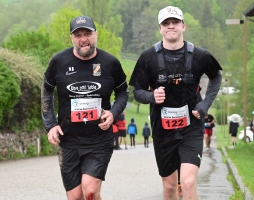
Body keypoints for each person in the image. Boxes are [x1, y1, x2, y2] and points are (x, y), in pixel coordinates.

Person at [129, 6, 222, 199]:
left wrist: (204, 105)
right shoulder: (148, 57)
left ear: (183, 26)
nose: (171, 26)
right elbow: (137, 91)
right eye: (166, 23)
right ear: (160, 28)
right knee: (170, 186)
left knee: (187, 183)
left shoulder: (199, 55)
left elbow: (216, 77)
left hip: (191, 128)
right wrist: (151, 96)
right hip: (162, 130)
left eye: (175, 23)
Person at [41, 15, 129, 200]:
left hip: (99, 139)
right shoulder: (58, 61)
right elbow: (47, 91)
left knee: (89, 192)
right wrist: (50, 125)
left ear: (95, 34)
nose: (83, 39)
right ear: (72, 38)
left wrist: (113, 113)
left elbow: (123, 93)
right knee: (75, 197)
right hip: (68, 140)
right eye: (78, 34)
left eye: (87, 33)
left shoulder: (110, 63)